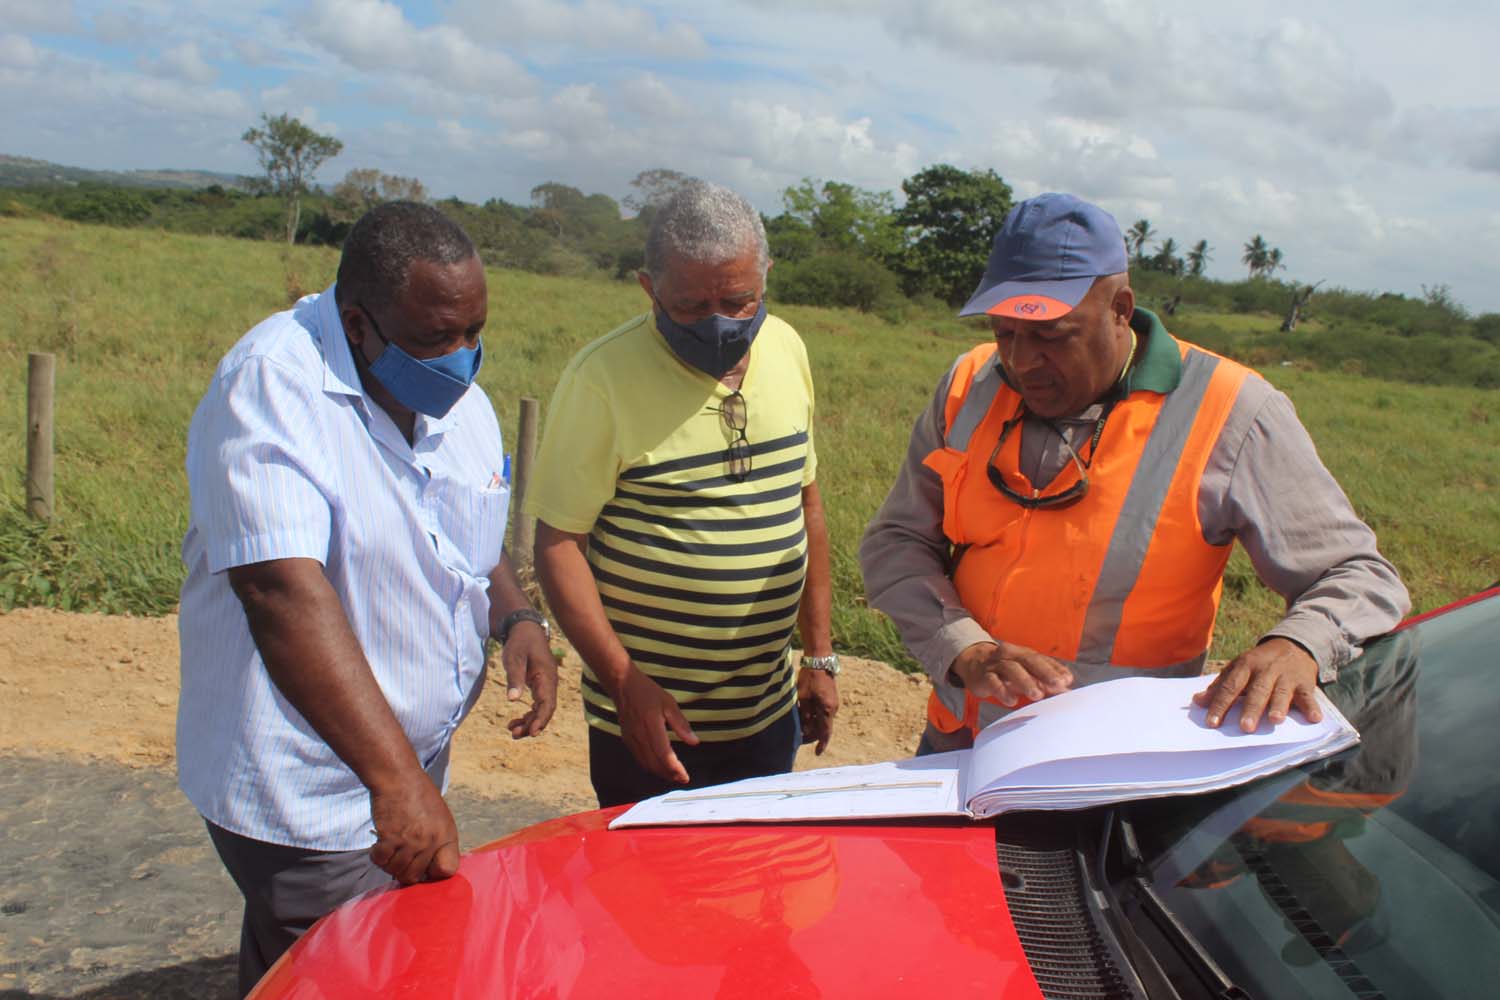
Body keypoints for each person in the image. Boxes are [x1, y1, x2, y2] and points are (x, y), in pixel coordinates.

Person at [860, 192, 1409, 754]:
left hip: (1120, 763)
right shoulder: (971, 382)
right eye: (1005, 332)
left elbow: (1359, 574)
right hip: (962, 744)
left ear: (1120, 308)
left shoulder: (1231, 410)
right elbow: (896, 541)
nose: (1022, 362)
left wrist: (1298, 645)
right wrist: (964, 649)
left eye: (1051, 335)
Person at [176, 201, 559, 996]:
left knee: (308, 969)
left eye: (475, 331)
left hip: (404, 767)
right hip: (314, 787)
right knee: (351, 970)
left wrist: (516, 615)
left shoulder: (458, 400)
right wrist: (395, 782)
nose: (461, 358)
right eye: (437, 338)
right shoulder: (271, 384)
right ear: (357, 324)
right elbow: (279, 590)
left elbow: (463, 525)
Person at [526, 179, 839, 808]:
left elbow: (804, 506)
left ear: (766, 277)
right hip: (649, 721)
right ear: (649, 288)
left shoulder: (787, 347)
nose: (719, 321)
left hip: (767, 711)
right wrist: (623, 682)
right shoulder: (601, 378)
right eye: (692, 306)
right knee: (650, 869)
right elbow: (559, 544)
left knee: (757, 864)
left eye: (739, 300)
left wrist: (819, 656)